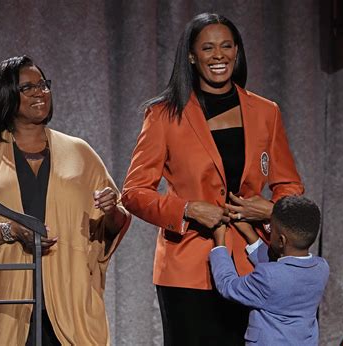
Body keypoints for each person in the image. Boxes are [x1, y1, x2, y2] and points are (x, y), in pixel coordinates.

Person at [122, 12, 304, 345]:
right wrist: (188, 209)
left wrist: (270, 211)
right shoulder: (164, 115)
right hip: (187, 269)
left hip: (254, 266)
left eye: (226, 46)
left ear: (237, 51)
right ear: (192, 56)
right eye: (207, 48)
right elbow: (133, 192)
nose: (218, 55)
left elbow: (289, 185)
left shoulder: (266, 112)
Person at [0, 55, 131, 345]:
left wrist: (112, 212)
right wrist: (10, 231)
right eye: (27, 87)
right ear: (5, 95)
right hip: (5, 301)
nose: (40, 92)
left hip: (70, 298)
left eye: (43, 84)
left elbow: (111, 227)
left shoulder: (79, 152)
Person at [210, 196, 329, 345]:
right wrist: (250, 234)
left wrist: (219, 242)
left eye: (270, 228)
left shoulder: (268, 277)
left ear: (281, 240)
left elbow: (228, 286)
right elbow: (284, 272)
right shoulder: (322, 267)